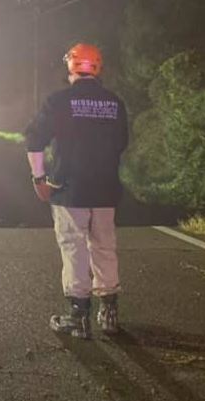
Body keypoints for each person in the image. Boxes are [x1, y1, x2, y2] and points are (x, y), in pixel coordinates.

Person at [24, 43, 129, 339]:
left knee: (74, 248)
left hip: (69, 189)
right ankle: (109, 313)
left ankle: (78, 317)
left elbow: (33, 140)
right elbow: (122, 143)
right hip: (106, 189)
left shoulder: (59, 101)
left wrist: (39, 179)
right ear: (98, 67)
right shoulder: (115, 103)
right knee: (104, 247)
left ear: (70, 66)